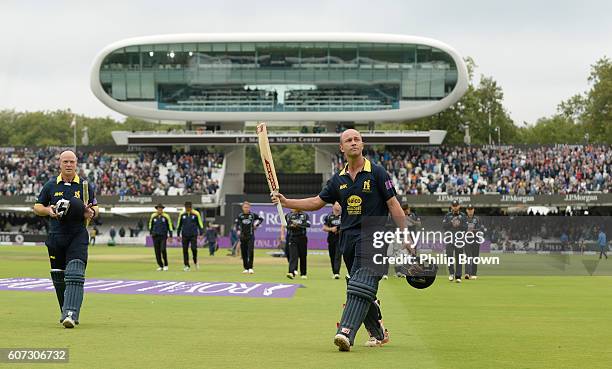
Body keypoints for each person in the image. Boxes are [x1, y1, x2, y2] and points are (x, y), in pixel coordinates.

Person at [271, 129, 407, 351]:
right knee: (360, 287)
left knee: (359, 284)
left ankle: (345, 332)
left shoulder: (378, 173)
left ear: (362, 144)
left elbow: (393, 205)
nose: (354, 143)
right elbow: (316, 202)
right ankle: (379, 332)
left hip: (374, 236)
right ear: (341, 148)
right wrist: (286, 202)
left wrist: (405, 234)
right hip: (348, 240)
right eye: (348, 140)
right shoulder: (338, 180)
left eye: (357, 139)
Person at [33, 150, 98, 328]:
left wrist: (91, 212)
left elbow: (96, 208)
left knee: (75, 273)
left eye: (72, 162)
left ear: (76, 164)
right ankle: (66, 310)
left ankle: (71, 314)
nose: (69, 165)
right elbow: (37, 206)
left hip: (77, 234)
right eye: (65, 162)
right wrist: (49, 211)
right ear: (60, 164)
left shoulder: (84, 186)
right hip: (55, 236)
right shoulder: (50, 185)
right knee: (58, 277)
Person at [234, 201, 263, 274]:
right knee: (244, 252)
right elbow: (237, 224)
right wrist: (238, 230)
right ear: (242, 208)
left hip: (250, 235)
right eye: (245, 207)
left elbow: (261, 219)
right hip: (243, 236)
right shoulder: (240, 216)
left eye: (247, 207)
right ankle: (246, 268)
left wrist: (256, 225)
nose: (246, 208)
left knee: (250, 251)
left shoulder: (252, 215)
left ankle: (250, 267)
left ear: (249, 208)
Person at [443, 200, 467, 283]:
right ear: (451, 206)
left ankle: (458, 276)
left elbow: (466, 227)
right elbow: (444, 226)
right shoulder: (448, 215)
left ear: (459, 206)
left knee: (459, 258)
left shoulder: (463, 216)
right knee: (449, 256)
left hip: (459, 240)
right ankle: (451, 273)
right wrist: (451, 222)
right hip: (449, 239)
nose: (455, 207)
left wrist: (459, 224)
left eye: (456, 205)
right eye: (453, 205)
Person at [176, 201, 204, 271]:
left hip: (193, 234)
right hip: (184, 235)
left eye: (189, 207)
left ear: (191, 207)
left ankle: (195, 261)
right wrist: (178, 235)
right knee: (185, 250)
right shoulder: (182, 214)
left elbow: (200, 224)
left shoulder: (196, 214)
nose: (187, 209)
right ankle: (186, 265)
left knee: (194, 248)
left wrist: (201, 234)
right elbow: (179, 225)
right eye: (186, 207)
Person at [284, 208, 311, 279]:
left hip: (302, 237)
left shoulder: (305, 215)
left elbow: (308, 224)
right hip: (292, 237)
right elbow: (286, 225)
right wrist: (292, 226)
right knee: (293, 255)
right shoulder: (288, 215)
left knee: (303, 255)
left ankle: (303, 273)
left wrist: (298, 225)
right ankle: (291, 272)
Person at [148, 203, 173, 271]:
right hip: (155, 236)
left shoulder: (166, 216)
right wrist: (151, 232)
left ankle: (166, 264)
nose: (160, 209)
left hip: (163, 236)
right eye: (158, 208)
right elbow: (150, 224)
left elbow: (170, 226)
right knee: (157, 251)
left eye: (161, 208)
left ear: (162, 209)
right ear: (157, 209)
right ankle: (160, 265)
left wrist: (170, 235)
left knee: (163, 249)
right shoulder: (153, 216)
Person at [322, 202, 342, 279]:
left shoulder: (343, 216)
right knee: (332, 255)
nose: (339, 206)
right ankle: (334, 272)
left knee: (338, 255)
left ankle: (337, 273)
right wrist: (331, 229)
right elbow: (324, 228)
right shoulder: (329, 216)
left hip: (340, 238)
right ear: (333, 206)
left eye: (340, 205)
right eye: (337, 204)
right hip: (331, 238)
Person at [464, 204, 483, 280]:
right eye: (469, 210)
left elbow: (480, 228)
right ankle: (467, 273)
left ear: (473, 210)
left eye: (471, 210)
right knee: (468, 256)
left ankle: (474, 274)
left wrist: (473, 231)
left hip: (475, 240)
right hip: (467, 240)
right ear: (466, 210)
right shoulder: (464, 219)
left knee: (475, 257)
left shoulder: (477, 219)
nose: (470, 211)